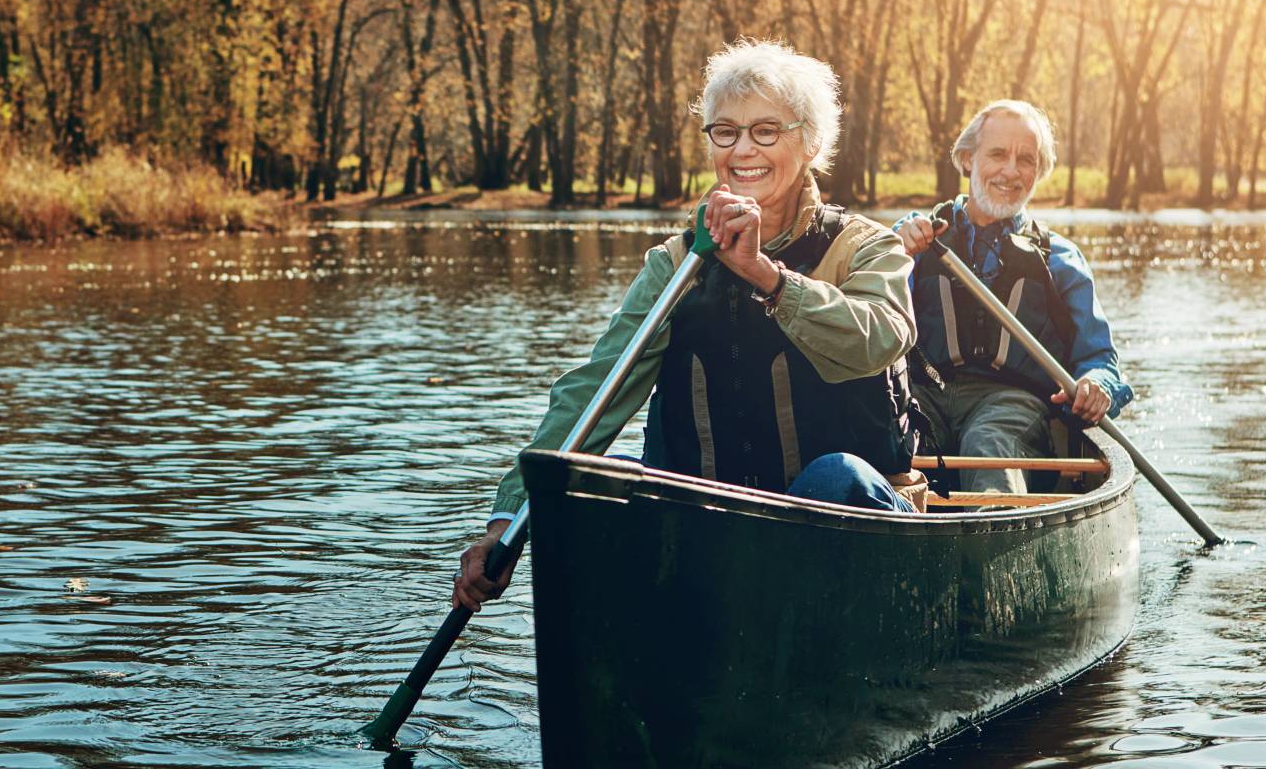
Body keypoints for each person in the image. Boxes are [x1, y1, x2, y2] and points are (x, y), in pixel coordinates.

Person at [454, 40, 922, 613]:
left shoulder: (869, 246)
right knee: (600, 486)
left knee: (835, 477)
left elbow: (878, 338)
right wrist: (508, 519)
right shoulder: (675, 264)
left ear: (812, 144)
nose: (742, 149)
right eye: (725, 131)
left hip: (845, 521)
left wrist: (765, 275)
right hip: (714, 531)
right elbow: (596, 390)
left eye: (767, 131)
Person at [892, 99, 1133, 495]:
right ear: (968, 159)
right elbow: (870, 316)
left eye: (1026, 159)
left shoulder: (1060, 258)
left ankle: (993, 538)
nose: (1011, 171)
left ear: (1038, 172)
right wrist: (895, 253)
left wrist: (1098, 385)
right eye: (998, 154)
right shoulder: (914, 238)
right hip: (924, 396)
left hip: (1012, 402)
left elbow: (1101, 359)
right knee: (888, 436)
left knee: (988, 443)